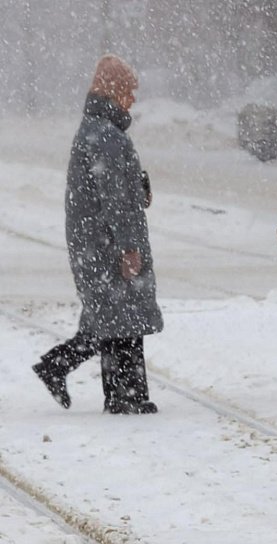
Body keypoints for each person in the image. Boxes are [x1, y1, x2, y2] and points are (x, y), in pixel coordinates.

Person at [33, 54, 161, 414]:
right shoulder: (107, 136)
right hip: (106, 243)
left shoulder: (96, 130)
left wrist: (139, 186)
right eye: (129, 91)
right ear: (114, 90)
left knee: (111, 319)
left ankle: (90, 381)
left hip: (94, 242)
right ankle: (126, 396)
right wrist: (129, 247)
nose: (133, 99)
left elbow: (113, 189)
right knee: (121, 320)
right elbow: (116, 200)